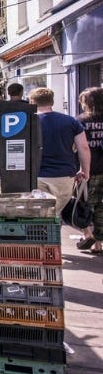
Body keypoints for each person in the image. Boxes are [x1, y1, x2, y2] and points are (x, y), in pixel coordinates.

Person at [31, 87, 90, 218]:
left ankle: (43, 236)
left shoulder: (28, 122)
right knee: (56, 214)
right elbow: (83, 148)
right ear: (52, 102)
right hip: (64, 175)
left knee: (40, 215)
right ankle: (54, 235)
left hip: (36, 175)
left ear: (32, 102)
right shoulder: (70, 121)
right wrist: (85, 171)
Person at [77, 87, 103, 252]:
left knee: (86, 204)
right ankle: (99, 241)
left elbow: (77, 147)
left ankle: (89, 236)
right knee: (101, 206)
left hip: (89, 169)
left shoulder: (80, 121)